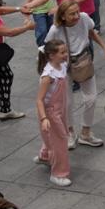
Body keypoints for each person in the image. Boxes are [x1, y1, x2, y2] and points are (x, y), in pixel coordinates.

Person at [35, 39, 71, 187]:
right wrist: (44, 118)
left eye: (65, 51)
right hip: (50, 112)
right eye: (62, 52)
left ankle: (45, 156)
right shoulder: (47, 76)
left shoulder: (61, 66)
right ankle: (58, 173)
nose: (65, 55)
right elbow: (39, 100)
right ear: (51, 55)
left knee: (55, 136)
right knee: (61, 140)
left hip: (60, 108)